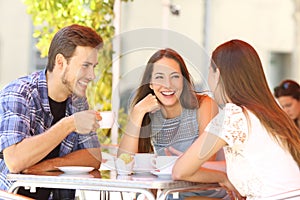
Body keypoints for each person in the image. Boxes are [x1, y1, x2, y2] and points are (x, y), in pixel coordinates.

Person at [172, 39, 300, 200]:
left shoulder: (233, 115)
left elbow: (180, 171)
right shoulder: (270, 113)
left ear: (216, 74)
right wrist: (221, 175)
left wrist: (222, 178)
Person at [0, 24, 103, 199]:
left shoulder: (77, 101)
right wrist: (69, 124)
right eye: (85, 66)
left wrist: (49, 165)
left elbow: (94, 157)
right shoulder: (19, 93)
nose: (92, 75)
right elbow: (15, 161)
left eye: (94, 66)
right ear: (60, 62)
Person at [118, 48, 227, 199]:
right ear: (150, 83)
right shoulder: (149, 114)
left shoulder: (204, 105)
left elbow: (207, 162)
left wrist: (178, 164)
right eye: (159, 77)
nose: (168, 85)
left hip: (208, 193)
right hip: (171, 194)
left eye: (175, 76)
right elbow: (124, 163)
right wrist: (137, 113)